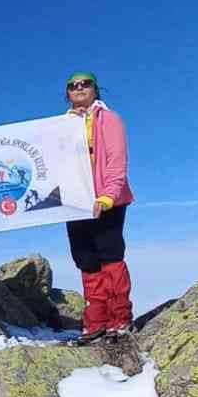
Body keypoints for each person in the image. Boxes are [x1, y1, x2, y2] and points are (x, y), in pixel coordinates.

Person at [61, 71, 135, 344]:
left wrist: (108, 196)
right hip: (75, 202)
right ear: (67, 93)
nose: (79, 88)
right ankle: (96, 322)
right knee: (86, 259)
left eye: (85, 83)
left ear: (95, 89)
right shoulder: (60, 127)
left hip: (107, 200)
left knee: (110, 255)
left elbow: (117, 160)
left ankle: (120, 319)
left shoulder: (109, 119)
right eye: (73, 85)